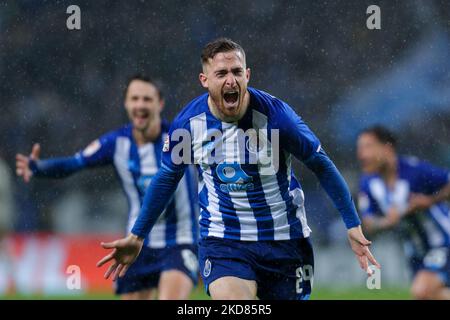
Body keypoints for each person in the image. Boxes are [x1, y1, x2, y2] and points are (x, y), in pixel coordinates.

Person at [97, 38, 379, 300]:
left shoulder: (278, 118)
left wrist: (352, 224)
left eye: (236, 71)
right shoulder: (189, 125)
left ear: (247, 75)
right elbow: (168, 177)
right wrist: (137, 236)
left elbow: (322, 166)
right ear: (205, 80)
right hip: (224, 240)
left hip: (285, 240)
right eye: (221, 74)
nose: (230, 80)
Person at [15, 75, 199, 300]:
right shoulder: (116, 143)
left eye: (147, 99)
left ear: (159, 104)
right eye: (135, 99)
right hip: (136, 243)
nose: (140, 105)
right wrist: (39, 168)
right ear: (126, 104)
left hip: (179, 240)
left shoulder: (181, 138)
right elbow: (75, 162)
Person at [357, 125, 450, 300]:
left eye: (368, 147)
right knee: (428, 296)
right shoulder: (368, 183)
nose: (362, 154)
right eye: (360, 149)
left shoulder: (415, 171)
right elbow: (368, 224)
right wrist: (387, 222)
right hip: (416, 253)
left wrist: (430, 201)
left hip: (443, 242)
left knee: (422, 291)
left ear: (387, 148)